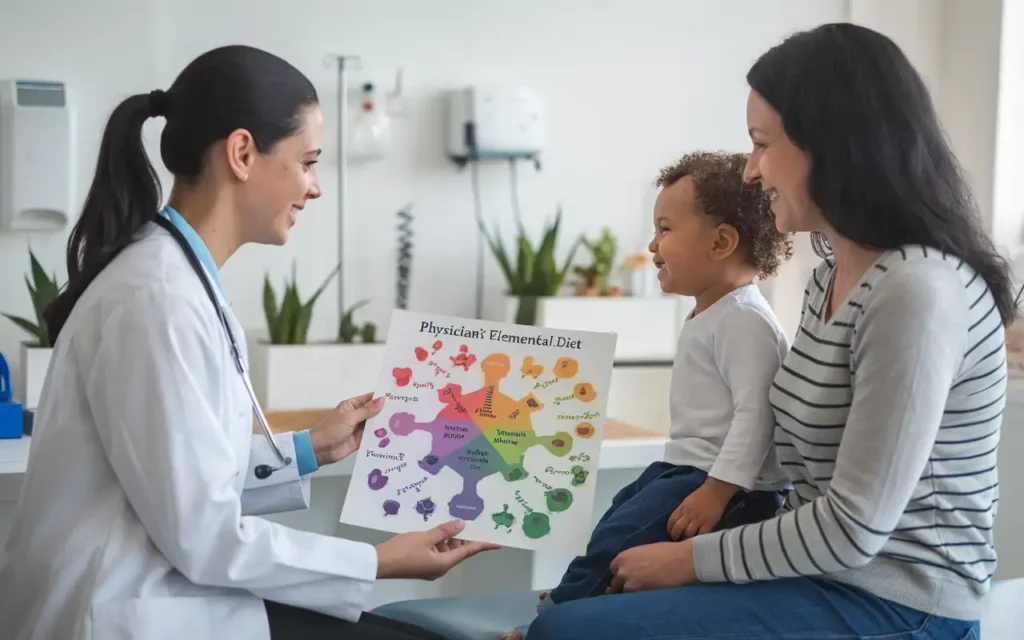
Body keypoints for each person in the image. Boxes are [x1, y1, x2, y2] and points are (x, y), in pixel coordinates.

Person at [524, 23, 1008, 640]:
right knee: (580, 610)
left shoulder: (916, 291)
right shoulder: (831, 270)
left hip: (903, 602)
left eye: (761, 144)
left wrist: (692, 561)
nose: (752, 172)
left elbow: (854, 529)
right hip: (818, 574)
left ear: (831, 146)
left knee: (569, 633)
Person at [0, 45, 497, 640]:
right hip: (125, 610)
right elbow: (204, 535)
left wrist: (309, 448)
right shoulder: (157, 298)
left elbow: (182, 476)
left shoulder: (175, 277)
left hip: (163, 591)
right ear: (241, 153)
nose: (314, 188)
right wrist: (380, 562)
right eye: (308, 162)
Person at [503, 151, 794, 639]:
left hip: (722, 483)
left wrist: (716, 492)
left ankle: (556, 616)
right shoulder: (717, 311)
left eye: (665, 229)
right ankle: (583, 595)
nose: (652, 244)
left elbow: (757, 415)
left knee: (623, 536)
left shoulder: (745, 320)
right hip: (685, 468)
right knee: (618, 519)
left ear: (721, 242)